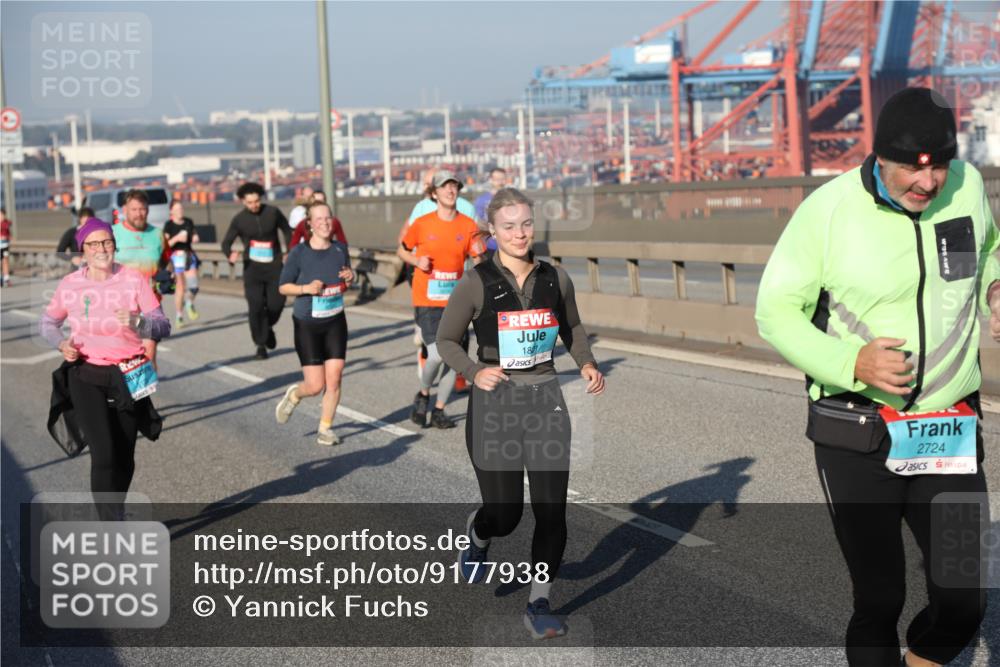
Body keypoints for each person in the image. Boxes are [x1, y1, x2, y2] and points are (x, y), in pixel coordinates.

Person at [755, 87, 994, 667]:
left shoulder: (968, 187)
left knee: (964, 600)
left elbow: (989, 250)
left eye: (939, 166)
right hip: (858, 434)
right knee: (880, 598)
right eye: (913, 169)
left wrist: (995, 289)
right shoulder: (827, 211)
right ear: (880, 156)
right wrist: (851, 363)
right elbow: (774, 312)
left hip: (947, 427)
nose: (929, 183)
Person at [437, 187, 605, 640]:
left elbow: (572, 326)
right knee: (505, 514)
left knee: (552, 512)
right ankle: (479, 533)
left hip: (545, 401)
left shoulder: (555, 278)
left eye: (526, 224)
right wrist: (474, 371)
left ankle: (539, 603)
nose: (519, 233)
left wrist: (586, 363)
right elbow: (446, 340)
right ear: (492, 231)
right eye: (509, 226)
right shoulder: (475, 282)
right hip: (495, 406)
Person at [39, 218, 171, 520]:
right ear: (83, 249)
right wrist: (61, 344)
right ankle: (111, 524)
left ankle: (116, 509)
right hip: (86, 374)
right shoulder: (71, 284)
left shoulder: (133, 279)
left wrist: (138, 322)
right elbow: (48, 324)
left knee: (124, 455)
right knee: (104, 454)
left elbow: (163, 325)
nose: (101, 248)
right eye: (94, 243)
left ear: (114, 245)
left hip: (129, 375)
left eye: (107, 242)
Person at [398, 170, 485, 428]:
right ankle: (424, 393)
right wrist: (416, 260)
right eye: (445, 187)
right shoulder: (422, 223)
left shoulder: (467, 225)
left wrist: (481, 277)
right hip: (427, 300)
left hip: (456, 302)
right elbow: (402, 250)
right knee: (436, 354)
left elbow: (478, 258)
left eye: (454, 186)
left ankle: (439, 410)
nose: (450, 190)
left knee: (451, 357)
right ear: (434, 193)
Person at [274, 201, 354, 446]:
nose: (325, 223)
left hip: (335, 321)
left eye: (328, 218)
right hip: (308, 324)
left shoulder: (340, 249)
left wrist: (351, 277)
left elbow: (345, 281)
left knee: (335, 377)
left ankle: (325, 429)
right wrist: (305, 289)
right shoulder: (299, 253)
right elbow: (283, 287)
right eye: (319, 219)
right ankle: (295, 394)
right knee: (315, 385)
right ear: (309, 224)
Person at [221, 182, 292, 359]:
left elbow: (287, 230)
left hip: (274, 266)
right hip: (252, 269)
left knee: (277, 303)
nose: (254, 205)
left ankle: (267, 327)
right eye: (250, 202)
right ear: (243, 202)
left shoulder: (273, 212)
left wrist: (289, 251)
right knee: (256, 306)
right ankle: (260, 344)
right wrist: (230, 254)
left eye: (257, 201)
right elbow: (226, 243)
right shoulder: (239, 219)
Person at [112, 190, 167, 365]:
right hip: (119, 305)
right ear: (125, 210)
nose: (139, 214)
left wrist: (167, 279)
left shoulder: (157, 234)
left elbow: (166, 263)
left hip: (149, 305)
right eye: (134, 209)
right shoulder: (112, 233)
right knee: (123, 359)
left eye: (142, 209)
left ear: (148, 210)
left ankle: (147, 383)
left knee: (148, 353)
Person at [163, 200, 202, 329]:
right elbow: (166, 244)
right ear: (171, 211)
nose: (180, 211)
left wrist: (195, 237)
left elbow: (194, 233)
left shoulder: (188, 222)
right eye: (177, 209)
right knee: (180, 287)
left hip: (188, 256)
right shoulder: (169, 225)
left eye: (181, 209)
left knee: (194, 286)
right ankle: (179, 316)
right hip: (176, 258)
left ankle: (189, 302)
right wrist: (177, 238)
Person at [474, 167, 507, 253]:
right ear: (491, 180)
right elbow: (479, 224)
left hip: (508, 247)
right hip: (488, 247)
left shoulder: (512, 199)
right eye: (497, 179)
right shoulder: (482, 200)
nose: (500, 182)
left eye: (502, 179)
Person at [0, 207, 11, 286]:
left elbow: (8, 233)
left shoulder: (6, 223)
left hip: (5, 245)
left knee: (5, 261)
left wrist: (5, 237)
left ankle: (6, 278)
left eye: (2, 215)